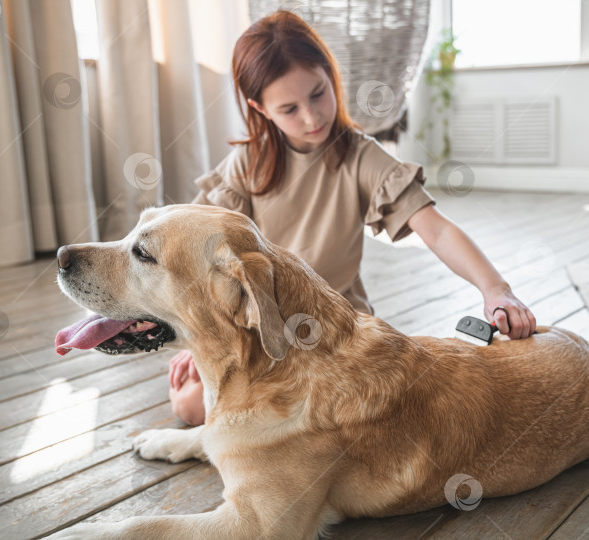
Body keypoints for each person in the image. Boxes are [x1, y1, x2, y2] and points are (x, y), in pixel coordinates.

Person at [168, 10, 537, 426]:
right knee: (189, 406)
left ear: (330, 75)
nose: (311, 117)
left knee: (356, 409)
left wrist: (496, 290)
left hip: (338, 331)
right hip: (263, 333)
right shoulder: (244, 166)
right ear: (260, 108)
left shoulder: (360, 156)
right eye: (289, 108)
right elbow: (203, 259)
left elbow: (435, 229)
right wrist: (201, 339)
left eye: (318, 94)